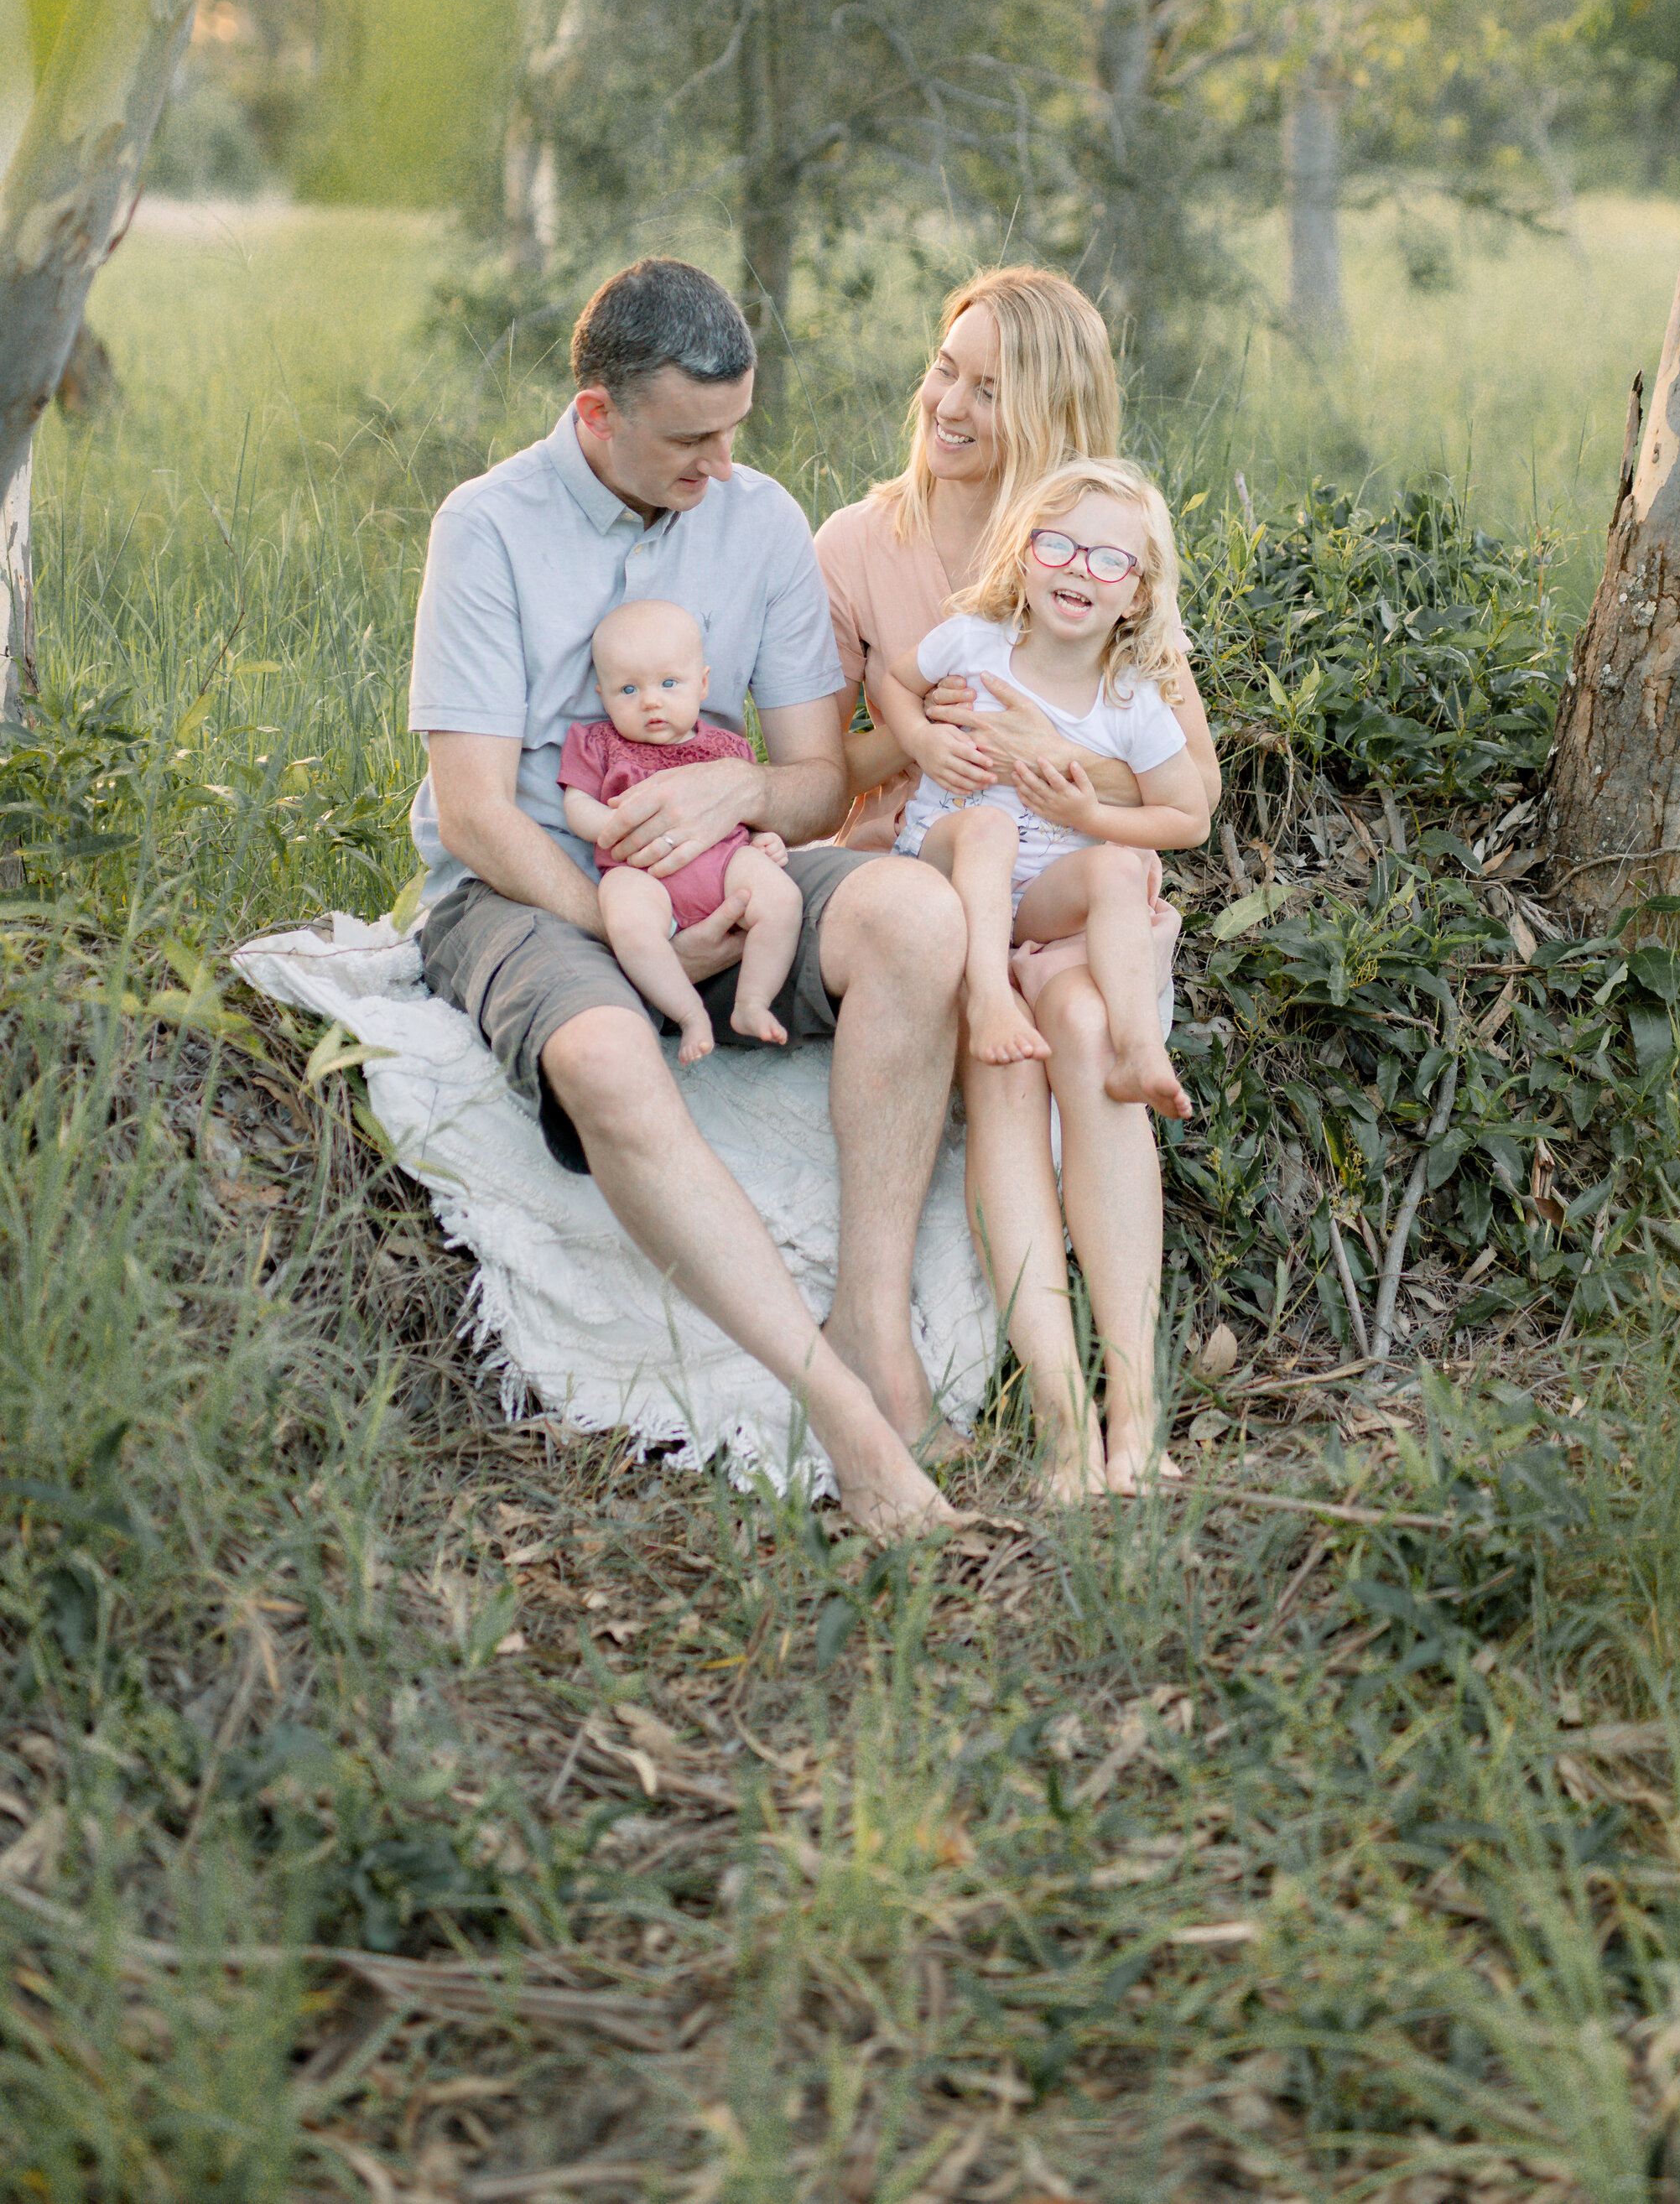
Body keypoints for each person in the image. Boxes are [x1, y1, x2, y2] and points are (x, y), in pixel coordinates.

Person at [408, 257, 970, 1541]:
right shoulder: (487, 527)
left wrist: (735, 802)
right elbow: (484, 810)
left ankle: (873, 1323)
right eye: (689, 439)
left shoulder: (758, 517)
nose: (720, 464)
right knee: (604, 1050)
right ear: (598, 413)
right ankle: (845, 1417)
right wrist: (618, 911)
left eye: (736, 432)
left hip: (730, 870)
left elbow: (818, 778)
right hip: (533, 883)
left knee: (918, 915)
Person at [814, 268, 1224, 1501]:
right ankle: (1059, 1406)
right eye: (946, 367)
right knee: (1020, 1046)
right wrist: (919, 737)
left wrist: (1050, 762)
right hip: (930, 866)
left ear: (1045, 407)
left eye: (989, 387)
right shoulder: (857, 540)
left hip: (1066, 872)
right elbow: (817, 762)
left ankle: (1130, 1407)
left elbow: (1178, 766)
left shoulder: (1093, 545)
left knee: (1095, 1023)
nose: (948, 402)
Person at [881, 460, 1209, 1120]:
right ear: (1024, 558)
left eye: (1109, 560)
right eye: (1057, 545)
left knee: (1118, 866)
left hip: (1038, 896)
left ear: (1138, 597)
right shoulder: (974, 641)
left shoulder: (1132, 700)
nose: (1079, 567)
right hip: (944, 863)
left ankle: (1138, 1048)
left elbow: (1189, 818)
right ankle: (988, 994)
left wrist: (1091, 812)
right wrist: (922, 742)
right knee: (990, 828)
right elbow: (893, 684)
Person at [558, 597, 804, 1062]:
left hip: (722, 863)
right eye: (628, 690)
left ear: (703, 684)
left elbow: (745, 814)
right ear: (602, 694)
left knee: (782, 899)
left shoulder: (726, 748)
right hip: (639, 871)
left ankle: (752, 1001)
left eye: (669, 683)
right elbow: (576, 804)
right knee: (628, 926)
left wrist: (762, 839)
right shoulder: (599, 744)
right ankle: (688, 1012)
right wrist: (613, 824)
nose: (651, 700)